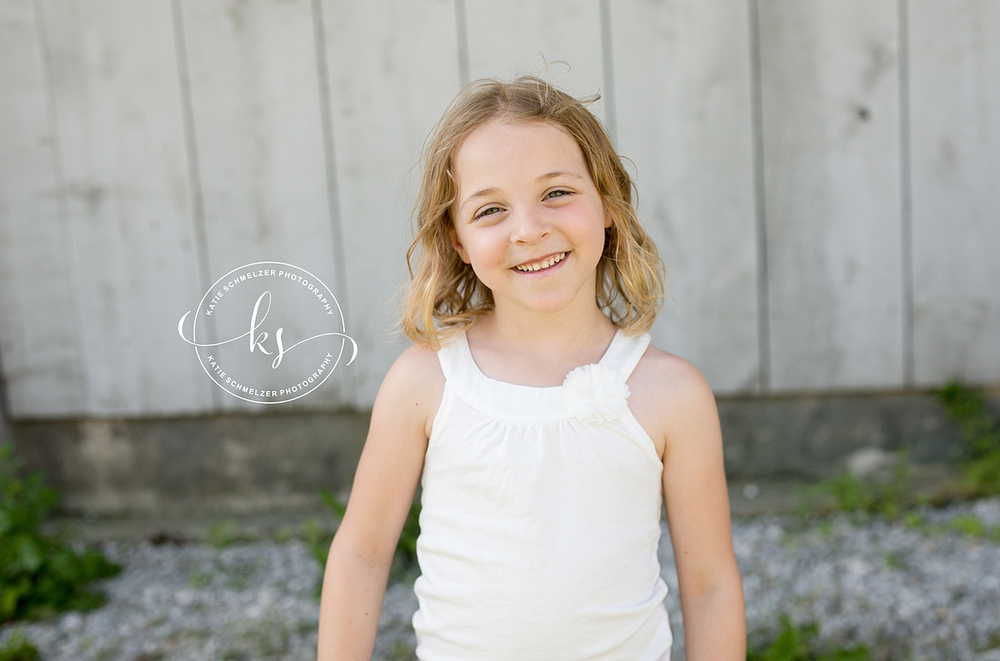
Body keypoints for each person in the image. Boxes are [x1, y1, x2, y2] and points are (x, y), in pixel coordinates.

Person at [318, 76, 745, 660]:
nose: (529, 229)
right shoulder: (425, 384)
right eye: (491, 209)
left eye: (557, 193)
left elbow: (712, 586)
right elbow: (362, 554)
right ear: (458, 240)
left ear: (609, 204)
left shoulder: (671, 394)